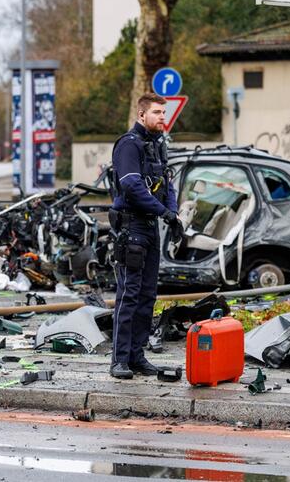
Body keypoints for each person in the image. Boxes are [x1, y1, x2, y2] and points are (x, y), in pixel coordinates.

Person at [107, 93, 179, 379]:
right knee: (130, 294)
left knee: (148, 295)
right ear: (141, 115)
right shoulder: (129, 145)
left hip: (150, 227)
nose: (163, 117)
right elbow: (133, 187)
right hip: (132, 227)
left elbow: (167, 185)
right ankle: (119, 360)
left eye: (164, 112)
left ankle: (137, 357)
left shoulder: (157, 145)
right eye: (158, 112)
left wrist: (172, 214)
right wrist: (164, 212)